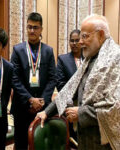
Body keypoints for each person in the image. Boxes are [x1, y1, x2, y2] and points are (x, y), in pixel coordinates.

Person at [36, 14, 120, 150]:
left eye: (85, 36)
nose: (80, 42)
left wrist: (81, 113)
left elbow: (116, 106)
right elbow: (70, 90)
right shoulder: (91, 58)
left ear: (101, 35)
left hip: (104, 143)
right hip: (85, 139)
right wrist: (47, 112)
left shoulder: (116, 58)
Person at [11, 12, 56, 150]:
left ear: (41, 29)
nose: (32, 30)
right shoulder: (17, 50)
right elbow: (14, 78)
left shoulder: (48, 51)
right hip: (22, 107)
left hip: (42, 108)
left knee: (41, 144)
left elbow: (52, 78)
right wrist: (30, 99)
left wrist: (42, 100)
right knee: (21, 144)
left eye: (35, 27)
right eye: (29, 27)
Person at [56, 29, 82, 148]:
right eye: (72, 40)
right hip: (70, 106)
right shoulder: (63, 59)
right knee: (72, 140)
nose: (74, 43)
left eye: (77, 40)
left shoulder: (88, 58)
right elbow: (60, 84)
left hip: (85, 107)